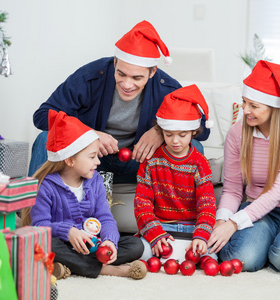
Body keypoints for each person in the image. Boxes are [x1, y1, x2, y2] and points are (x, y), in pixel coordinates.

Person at [29, 20, 210, 183]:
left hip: (140, 164)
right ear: (115, 62)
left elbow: (202, 130)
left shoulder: (166, 88)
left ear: (152, 72)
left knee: (194, 147)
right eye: (121, 74)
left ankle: (182, 218)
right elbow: (42, 116)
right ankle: (33, 211)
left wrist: (161, 131)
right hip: (88, 160)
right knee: (45, 139)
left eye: (137, 78)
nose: (127, 84)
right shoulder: (91, 76)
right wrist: (88, 134)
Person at [207, 60, 280, 274]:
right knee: (243, 259)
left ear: (273, 107)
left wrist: (234, 225)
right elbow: (233, 189)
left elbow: (278, 191)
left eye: (254, 106)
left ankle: (278, 242)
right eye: (244, 102)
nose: (245, 111)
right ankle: (265, 241)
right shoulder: (237, 134)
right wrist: (221, 222)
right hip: (260, 213)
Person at [22, 109, 147, 280]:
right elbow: (39, 226)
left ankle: (69, 266)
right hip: (63, 244)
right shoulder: (46, 186)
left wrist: (109, 240)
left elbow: (105, 217)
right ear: (70, 160)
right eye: (92, 157)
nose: (97, 162)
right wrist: (69, 232)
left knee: (135, 245)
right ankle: (106, 270)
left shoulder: (94, 180)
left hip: (92, 246)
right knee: (43, 243)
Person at [134, 85, 217, 261]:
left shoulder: (199, 163)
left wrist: (201, 235)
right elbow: (142, 203)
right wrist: (154, 232)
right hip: (161, 228)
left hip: (192, 229)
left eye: (183, 134)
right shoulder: (151, 161)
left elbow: (207, 205)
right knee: (141, 253)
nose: (175, 141)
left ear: (194, 131)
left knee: (212, 257)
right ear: (161, 131)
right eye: (169, 134)